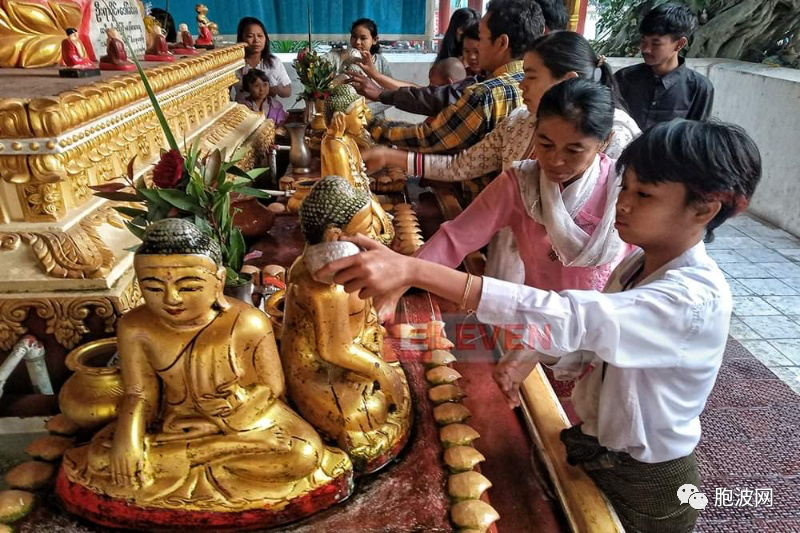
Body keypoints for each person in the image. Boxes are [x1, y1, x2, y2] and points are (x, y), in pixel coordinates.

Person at [321, 118, 762, 533]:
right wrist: (529, 351)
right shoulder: (639, 267)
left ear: (704, 209)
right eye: (623, 187)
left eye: (644, 195)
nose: (622, 205)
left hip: (646, 482)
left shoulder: (690, 300)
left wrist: (417, 272)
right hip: (601, 449)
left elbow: (572, 314)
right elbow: (592, 330)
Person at [363, 32, 641, 283]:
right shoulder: (521, 140)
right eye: (545, 144)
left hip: (597, 313)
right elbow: (462, 172)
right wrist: (406, 273)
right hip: (518, 276)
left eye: (530, 76)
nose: (555, 160)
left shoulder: (618, 147)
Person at [367, 0, 544, 154]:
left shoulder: (486, 94)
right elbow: (435, 96)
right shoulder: (536, 85)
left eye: (481, 40)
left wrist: (369, 123)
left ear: (501, 43)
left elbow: (430, 137)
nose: (476, 51)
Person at [614, 3, 714, 130]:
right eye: (643, 40)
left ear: (680, 44)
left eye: (656, 43)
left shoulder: (699, 88)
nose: (645, 49)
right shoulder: (624, 78)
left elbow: (695, 138)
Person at [231, 17, 291, 101]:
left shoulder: (274, 62)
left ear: (266, 39)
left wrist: (274, 88)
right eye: (250, 36)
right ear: (241, 39)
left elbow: (287, 92)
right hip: (242, 112)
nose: (256, 40)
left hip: (269, 112)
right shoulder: (232, 64)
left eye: (260, 36)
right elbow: (224, 95)